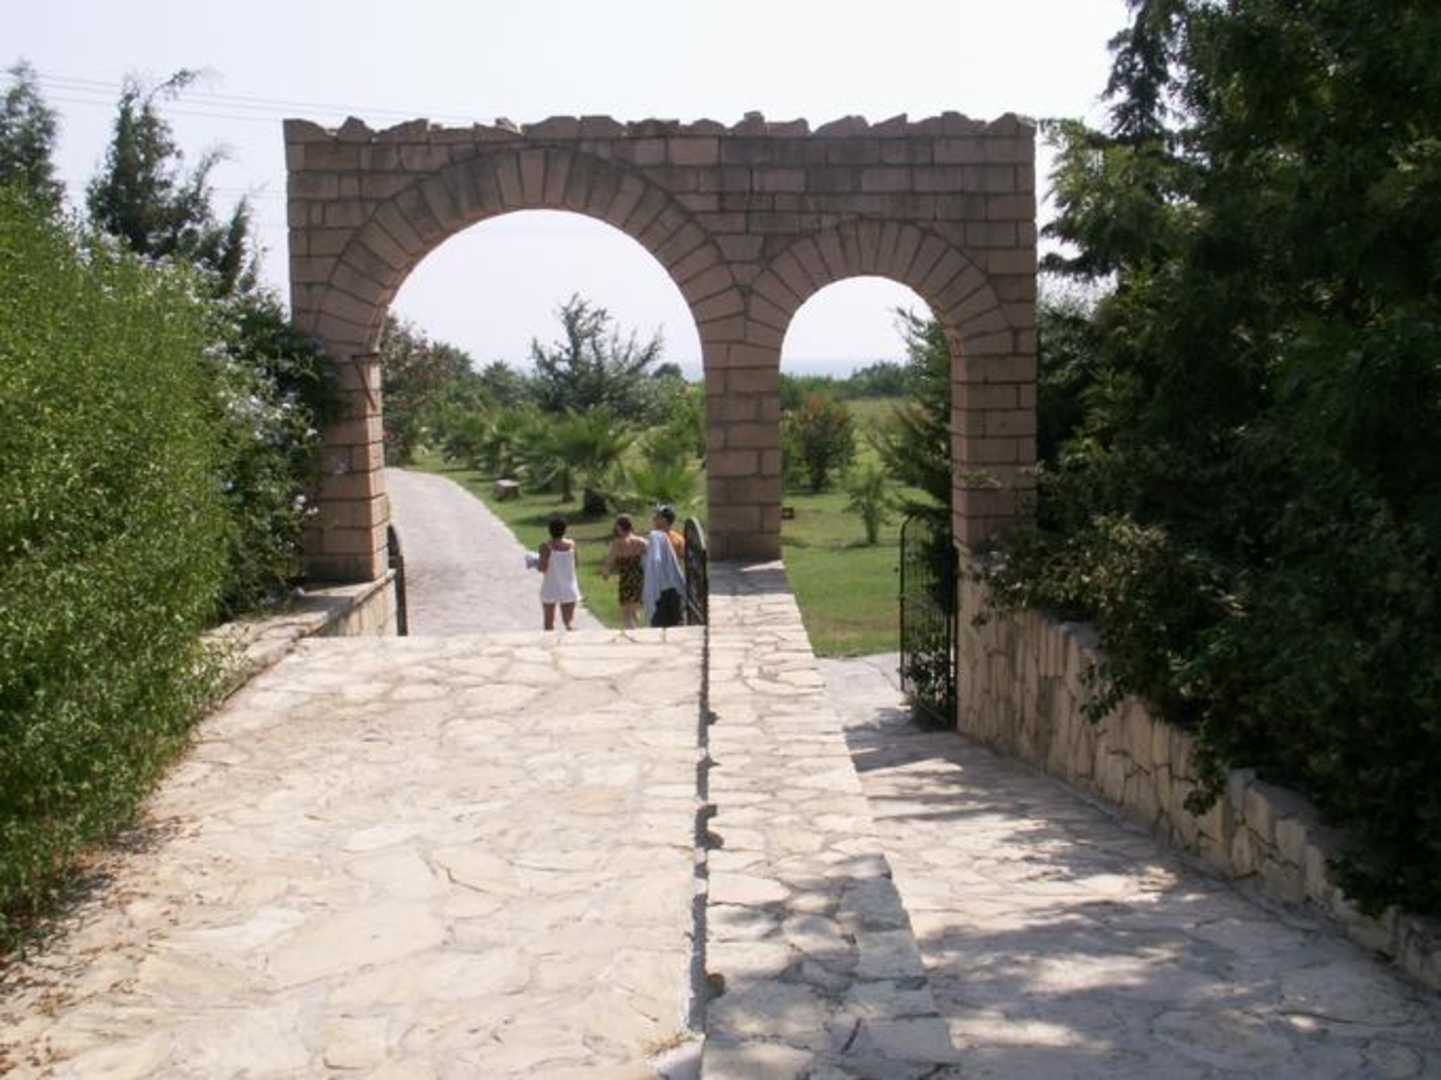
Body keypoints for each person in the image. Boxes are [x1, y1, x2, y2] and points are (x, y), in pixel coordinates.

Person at [600, 514, 648, 629]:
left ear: (619, 527)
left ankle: (632, 633)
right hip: (639, 577)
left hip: (626, 578)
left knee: (626, 612)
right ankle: (637, 630)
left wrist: (605, 573)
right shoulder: (642, 541)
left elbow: (610, 560)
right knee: (635, 609)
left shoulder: (618, 543)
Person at [534, 515, 581, 630]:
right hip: (569, 586)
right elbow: (576, 564)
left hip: (551, 585)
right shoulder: (572, 545)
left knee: (549, 623)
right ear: (565, 529)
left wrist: (535, 562)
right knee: (569, 622)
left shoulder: (546, 546)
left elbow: (542, 568)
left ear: (550, 530)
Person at [643, 506, 687, 628]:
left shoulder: (676, 539)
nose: (654, 520)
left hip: (670, 586)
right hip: (662, 584)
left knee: (671, 621)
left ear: (664, 520)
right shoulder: (655, 538)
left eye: (657, 517)